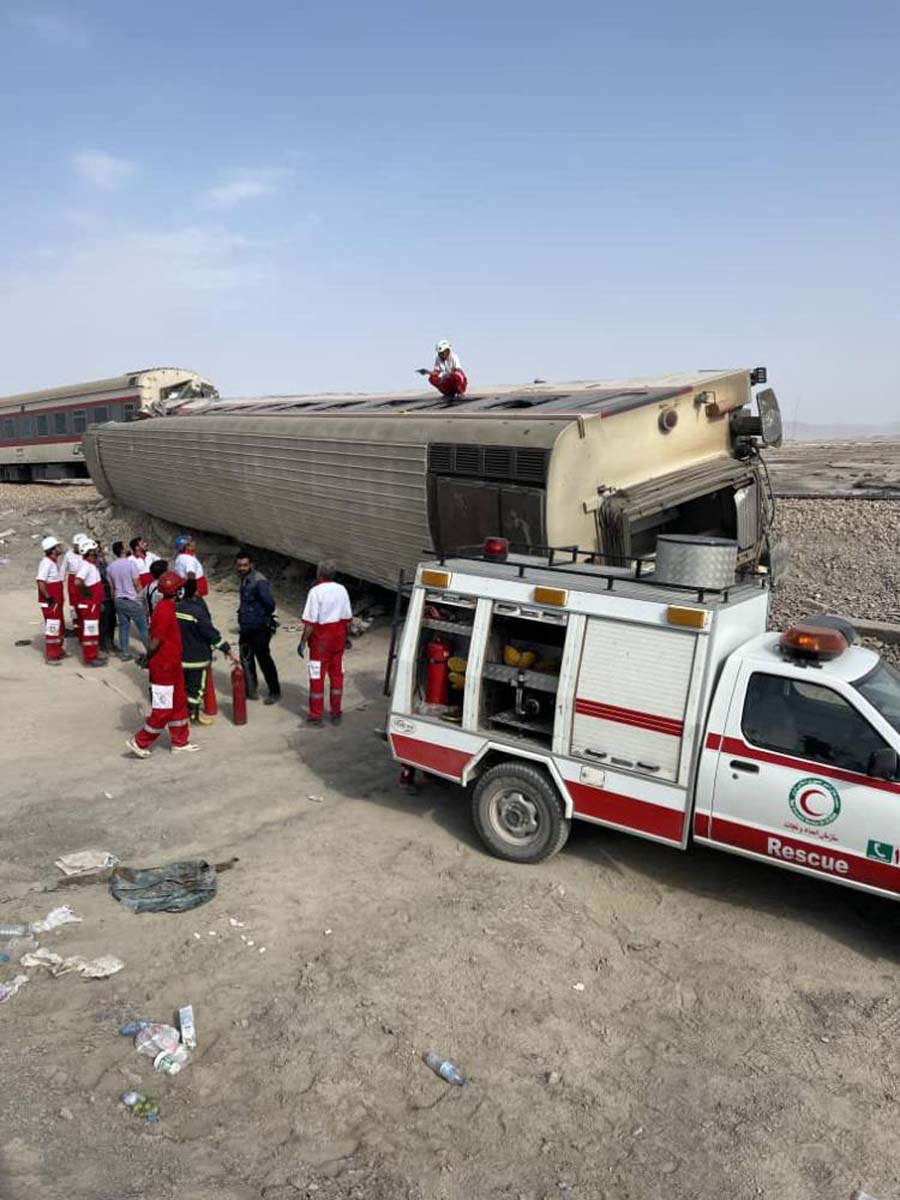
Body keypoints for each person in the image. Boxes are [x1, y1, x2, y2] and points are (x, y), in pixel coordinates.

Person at [127, 570, 199, 758]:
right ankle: (139, 741)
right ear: (177, 591)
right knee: (163, 709)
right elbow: (155, 642)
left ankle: (180, 741)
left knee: (178, 704)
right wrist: (148, 656)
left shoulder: (167, 607)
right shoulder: (165, 610)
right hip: (164, 668)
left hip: (172, 664)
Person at [299, 559, 352, 725]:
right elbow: (347, 619)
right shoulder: (341, 590)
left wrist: (302, 642)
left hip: (320, 642)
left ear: (319, 573)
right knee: (337, 676)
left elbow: (310, 623)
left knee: (317, 677)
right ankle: (336, 712)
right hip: (338, 639)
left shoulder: (315, 592)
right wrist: (346, 638)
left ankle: (316, 714)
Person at [176, 578, 231, 724]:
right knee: (196, 689)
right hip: (197, 659)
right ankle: (193, 716)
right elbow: (209, 633)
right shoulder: (198, 612)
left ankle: (183, 712)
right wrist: (225, 647)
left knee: (184, 687)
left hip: (180, 657)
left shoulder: (175, 608)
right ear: (195, 592)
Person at [235, 550, 280, 704]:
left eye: (245, 565)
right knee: (246, 658)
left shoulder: (259, 581)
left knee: (264, 659)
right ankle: (251, 690)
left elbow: (270, 604)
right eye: (240, 565)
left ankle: (274, 691)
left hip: (260, 627)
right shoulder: (244, 579)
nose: (242, 568)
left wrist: (261, 618)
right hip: (246, 627)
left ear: (251, 565)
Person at [107, 541, 148, 661]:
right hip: (132, 599)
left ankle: (125, 653)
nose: (128, 548)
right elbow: (137, 584)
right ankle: (151, 652)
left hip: (119, 600)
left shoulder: (110, 567)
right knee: (143, 628)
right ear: (122, 550)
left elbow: (112, 587)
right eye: (125, 546)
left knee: (124, 627)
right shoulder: (131, 565)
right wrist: (143, 599)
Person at [74, 540, 106, 667]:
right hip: (89, 606)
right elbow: (77, 582)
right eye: (95, 550)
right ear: (90, 552)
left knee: (92, 631)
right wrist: (88, 594)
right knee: (90, 632)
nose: (98, 552)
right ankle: (90, 657)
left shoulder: (90, 565)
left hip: (93, 604)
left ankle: (93, 655)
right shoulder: (86, 565)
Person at [36, 536, 66, 664]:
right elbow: (40, 582)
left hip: (56, 602)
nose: (60, 548)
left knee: (59, 626)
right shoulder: (46, 563)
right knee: (53, 628)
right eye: (58, 546)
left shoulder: (53, 562)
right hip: (51, 602)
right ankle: (51, 655)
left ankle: (58, 650)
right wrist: (49, 598)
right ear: (52, 549)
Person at [62, 534, 87, 637]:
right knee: (74, 607)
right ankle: (77, 629)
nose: (75, 547)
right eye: (75, 545)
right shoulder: (69, 555)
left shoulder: (87, 554)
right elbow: (63, 570)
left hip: (84, 581)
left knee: (85, 606)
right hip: (72, 582)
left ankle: (87, 628)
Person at [173, 534, 208, 598]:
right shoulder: (189, 559)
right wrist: (192, 591)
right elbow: (191, 574)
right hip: (194, 591)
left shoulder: (181, 557)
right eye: (191, 541)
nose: (194, 542)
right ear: (187, 547)